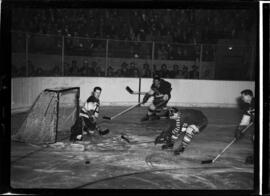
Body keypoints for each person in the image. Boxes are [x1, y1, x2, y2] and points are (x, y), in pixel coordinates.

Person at [234, 89, 255, 164]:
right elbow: (245, 119)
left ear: (249, 96)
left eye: (243, 96)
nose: (242, 98)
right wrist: (239, 130)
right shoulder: (247, 106)